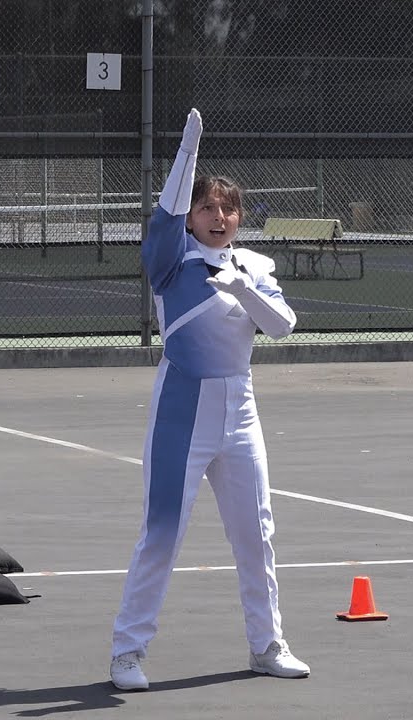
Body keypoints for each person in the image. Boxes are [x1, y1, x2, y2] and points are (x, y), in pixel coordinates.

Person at [109, 108, 310, 691]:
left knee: (256, 531)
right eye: (206, 208)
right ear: (191, 218)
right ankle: (127, 651)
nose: (219, 217)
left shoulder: (255, 265)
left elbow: (283, 327)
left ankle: (266, 643)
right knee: (163, 531)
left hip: (240, 411)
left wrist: (244, 287)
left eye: (228, 208)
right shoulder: (171, 264)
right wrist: (187, 152)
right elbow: (165, 216)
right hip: (182, 410)